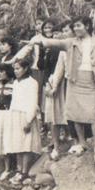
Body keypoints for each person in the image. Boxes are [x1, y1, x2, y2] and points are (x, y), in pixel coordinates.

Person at [30, 16, 95, 165]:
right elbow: (55, 42)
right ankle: (81, 143)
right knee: (74, 114)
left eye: (79, 25)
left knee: (93, 115)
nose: (76, 29)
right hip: (75, 81)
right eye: (74, 27)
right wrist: (38, 41)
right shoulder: (71, 42)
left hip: (94, 82)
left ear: (87, 25)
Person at [7, 57, 42, 185]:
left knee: (26, 143)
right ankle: (19, 169)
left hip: (26, 115)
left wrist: (29, 120)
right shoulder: (16, 83)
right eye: (14, 69)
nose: (15, 71)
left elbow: (33, 102)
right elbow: (13, 101)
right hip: (15, 114)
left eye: (18, 68)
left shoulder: (32, 83)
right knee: (17, 144)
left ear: (26, 68)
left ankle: (25, 171)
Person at [43, 21, 70, 160]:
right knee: (53, 114)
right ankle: (56, 145)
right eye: (57, 33)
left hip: (67, 82)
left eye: (63, 31)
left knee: (67, 113)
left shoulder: (69, 48)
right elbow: (46, 68)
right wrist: (48, 84)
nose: (59, 35)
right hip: (53, 81)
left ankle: (68, 138)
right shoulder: (51, 50)